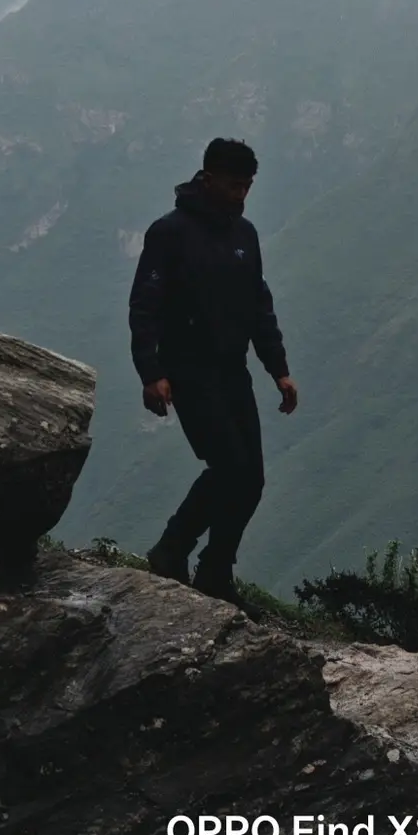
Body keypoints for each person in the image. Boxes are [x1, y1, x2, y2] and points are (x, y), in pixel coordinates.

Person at [129, 136, 299, 606]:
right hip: (189, 370)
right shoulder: (170, 232)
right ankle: (172, 549)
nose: (240, 195)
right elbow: (145, 306)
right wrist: (151, 372)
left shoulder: (246, 236)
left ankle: (216, 569)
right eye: (231, 185)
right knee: (229, 467)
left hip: (233, 370)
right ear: (206, 178)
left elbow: (258, 307)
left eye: (247, 187)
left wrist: (278, 368)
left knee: (253, 478)